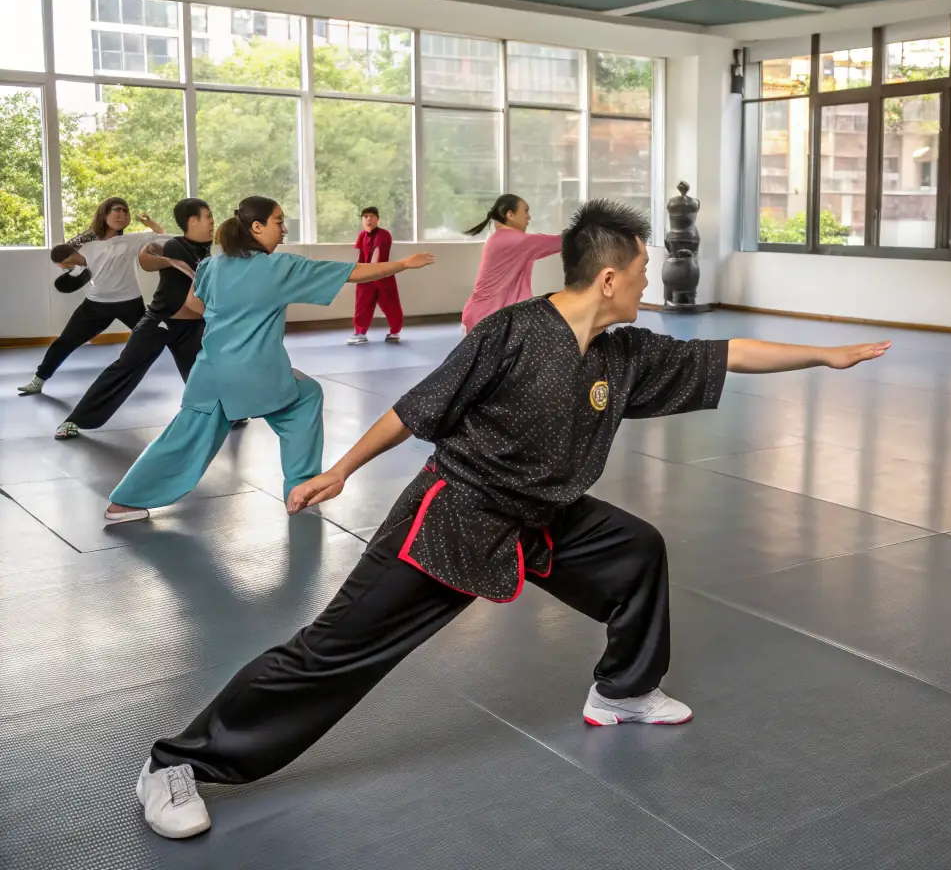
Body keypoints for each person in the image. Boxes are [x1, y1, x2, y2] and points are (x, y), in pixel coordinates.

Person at [133, 199, 890, 840]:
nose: (646, 282)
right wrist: (339, 470)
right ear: (609, 277)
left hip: (543, 513)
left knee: (634, 550)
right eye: (641, 272)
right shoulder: (514, 332)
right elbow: (415, 407)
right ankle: (178, 764)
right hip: (455, 516)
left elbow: (725, 354)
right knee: (334, 652)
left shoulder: (621, 354)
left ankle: (622, 692)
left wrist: (825, 356)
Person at [103, 196, 434, 525]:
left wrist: (228, 321)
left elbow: (193, 301)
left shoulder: (212, 264)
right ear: (257, 227)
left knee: (186, 434)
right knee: (304, 400)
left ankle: (124, 501)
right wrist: (403, 264)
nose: (284, 228)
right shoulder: (280, 267)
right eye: (278, 221)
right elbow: (354, 272)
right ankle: (301, 489)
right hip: (256, 373)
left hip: (210, 371)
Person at [54, 198, 218, 440]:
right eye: (209, 218)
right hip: (159, 323)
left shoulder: (205, 250)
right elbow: (147, 259)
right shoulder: (174, 245)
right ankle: (75, 420)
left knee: (200, 370)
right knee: (125, 368)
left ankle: (224, 413)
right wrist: (165, 260)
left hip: (191, 323)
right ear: (192, 221)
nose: (213, 223)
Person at [17, 198, 167, 395]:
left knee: (157, 336)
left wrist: (150, 224)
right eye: (116, 210)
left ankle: (192, 373)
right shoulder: (86, 241)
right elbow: (60, 255)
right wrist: (69, 267)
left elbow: (163, 237)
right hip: (96, 305)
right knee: (65, 341)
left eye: (125, 211)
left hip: (130, 303)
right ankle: (39, 379)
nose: (121, 214)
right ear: (105, 214)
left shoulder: (133, 240)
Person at [461, 193, 563, 334]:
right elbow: (560, 242)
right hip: (490, 321)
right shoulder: (517, 241)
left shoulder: (497, 239)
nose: (529, 217)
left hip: (479, 317)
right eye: (525, 211)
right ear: (510, 215)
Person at [348, 206, 403, 345]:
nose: (368, 219)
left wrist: (372, 270)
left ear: (377, 219)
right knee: (362, 304)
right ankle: (360, 332)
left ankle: (395, 331)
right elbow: (361, 256)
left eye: (372, 216)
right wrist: (358, 272)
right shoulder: (362, 235)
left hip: (383, 274)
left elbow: (377, 254)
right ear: (362, 219)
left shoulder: (383, 234)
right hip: (366, 275)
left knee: (390, 304)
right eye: (365, 216)